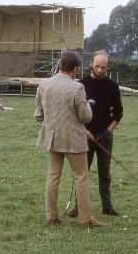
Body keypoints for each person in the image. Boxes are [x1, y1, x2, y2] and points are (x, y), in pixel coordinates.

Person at [35, 50, 106, 228]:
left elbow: (38, 115)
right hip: (74, 139)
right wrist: (89, 104)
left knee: (53, 176)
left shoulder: (44, 85)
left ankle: (51, 218)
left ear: (60, 65)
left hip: (52, 138)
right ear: (75, 69)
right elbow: (85, 117)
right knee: (81, 177)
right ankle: (85, 219)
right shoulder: (77, 88)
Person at [70, 50, 124, 217]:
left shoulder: (112, 86)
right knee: (82, 173)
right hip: (84, 135)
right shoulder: (80, 85)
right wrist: (84, 131)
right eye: (98, 66)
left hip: (105, 135)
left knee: (104, 173)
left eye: (104, 67)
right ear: (91, 65)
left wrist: (109, 130)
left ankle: (107, 207)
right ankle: (79, 207)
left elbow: (118, 112)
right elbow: (74, 113)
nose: (101, 70)